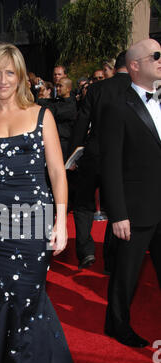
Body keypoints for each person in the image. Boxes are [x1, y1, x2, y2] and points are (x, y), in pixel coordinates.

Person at [0, 43, 77, 363]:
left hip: (35, 218)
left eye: (9, 72)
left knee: (28, 297)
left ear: (20, 76)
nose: (2, 80)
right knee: (0, 296)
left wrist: (61, 221)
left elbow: (58, 172)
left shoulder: (41, 115)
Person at [100, 38, 161, 348]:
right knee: (126, 276)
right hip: (136, 210)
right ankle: (117, 325)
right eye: (156, 56)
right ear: (135, 65)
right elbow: (110, 165)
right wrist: (118, 213)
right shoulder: (117, 107)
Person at [68, 51, 131, 270]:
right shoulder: (135, 89)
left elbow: (81, 123)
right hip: (123, 156)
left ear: (115, 67)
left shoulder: (96, 89)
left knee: (83, 204)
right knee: (117, 206)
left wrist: (73, 154)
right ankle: (110, 260)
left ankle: (85, 251)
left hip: (93, 154)